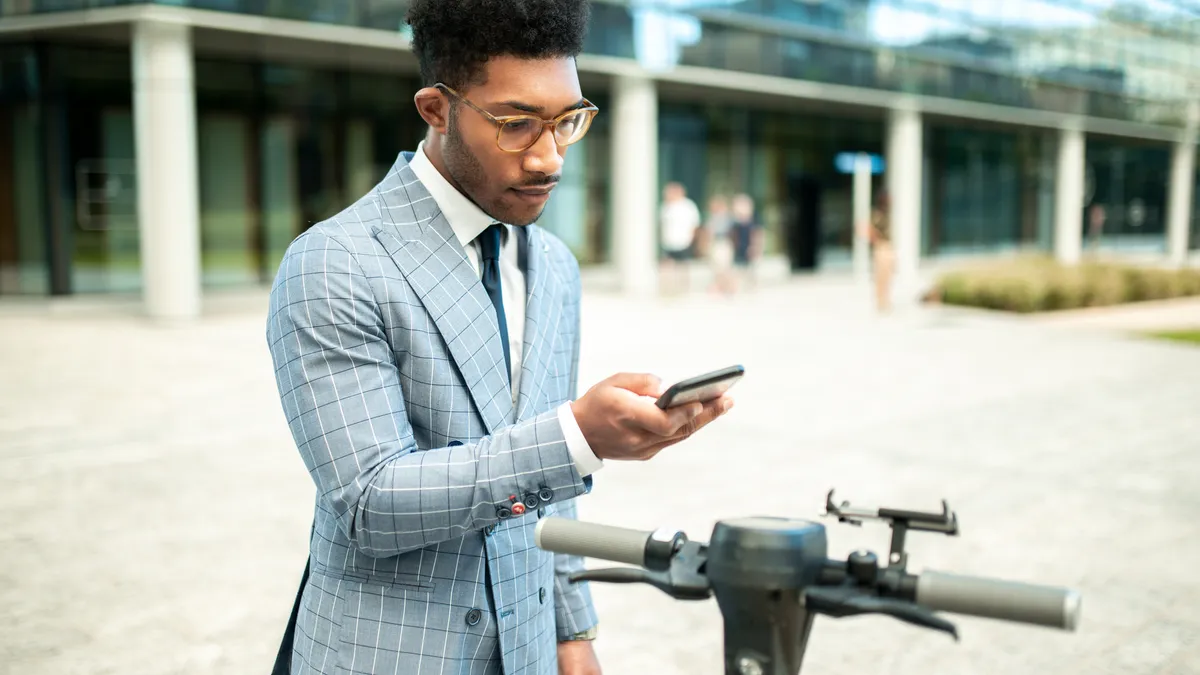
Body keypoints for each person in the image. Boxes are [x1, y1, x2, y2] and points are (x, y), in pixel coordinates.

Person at [263, 2, 734, 674]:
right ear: (436, 108)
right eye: (516, 125)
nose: (549, 158)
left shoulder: (555, 266)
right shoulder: (335, 262)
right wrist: (577, 437)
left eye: (567, 121)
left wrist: (573, 630)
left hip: (527, 651)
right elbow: (368, 501)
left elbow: (551, 482)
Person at [658, 181, 701, 295]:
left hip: (683, 241)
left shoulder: (688, 206)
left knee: (683, 266)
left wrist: (691, 239)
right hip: (668, 242)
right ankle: (666, 289)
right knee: (666, 266)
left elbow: (694, 225)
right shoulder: (666, 207)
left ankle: (683, 290)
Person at [729, 193, 763, 293]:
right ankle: (737, 290)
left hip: (750, 248)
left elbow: (758, 234)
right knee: (738, 271)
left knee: (751, 271)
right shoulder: (735, 222)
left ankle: (752, 290)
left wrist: (755, 247)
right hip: (739, 249)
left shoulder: (754, 220)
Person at [869, 190, 895, 312]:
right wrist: (876, 240)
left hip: (888, 246)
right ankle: (880, 301)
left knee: (888, 274)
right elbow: (869, 230)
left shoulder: (888, 214)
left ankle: (886, 299)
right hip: (881, 246)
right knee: (880, 275)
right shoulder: (876, 214)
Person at [705, 195, 736, 296]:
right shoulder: (713, 218)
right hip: (716, 244)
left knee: (724, 267)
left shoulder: (726, 218)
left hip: (723, 243)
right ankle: (721, 287)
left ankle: (729, 287)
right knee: (717, 267)